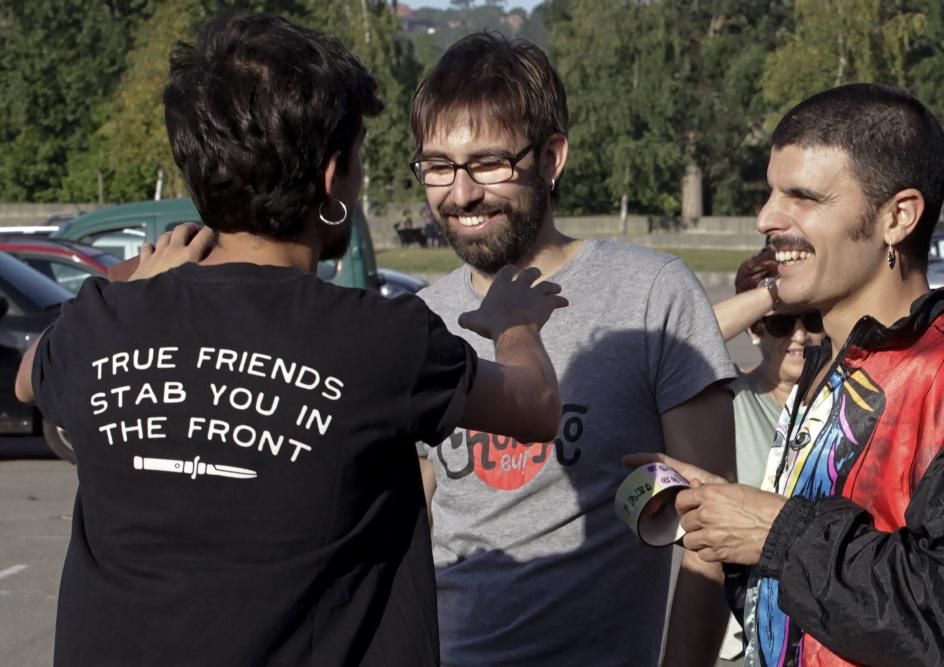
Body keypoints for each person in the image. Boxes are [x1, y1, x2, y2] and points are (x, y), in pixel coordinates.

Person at [15, 15, 568, 666]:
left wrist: (134, 276)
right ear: (333, 176)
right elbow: (534, 407)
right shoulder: (374, 337)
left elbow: (29, 376)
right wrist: (514, 322)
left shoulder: (100, 322)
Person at [628, 83, 944, 666]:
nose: (766, 219)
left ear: (897, 217)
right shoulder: (832, 358)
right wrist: (724, 510)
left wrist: (775, 531)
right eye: (772, 192)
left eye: (802, 197)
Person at [409, 32, 737, 667]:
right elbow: (417, 518)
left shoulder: (652, 293)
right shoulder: (423, 317)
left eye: (488, 163)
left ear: (552, 157)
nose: (461, 193)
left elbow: (711, 529)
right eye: (438, 167)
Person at [710, 248, 825, 664]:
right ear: (756, 329)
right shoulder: (730, 398)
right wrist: (778, 292)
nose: (798, 336)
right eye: (781, 322)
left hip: (822, 628)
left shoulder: (844, 405)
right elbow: (686, 338)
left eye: (811, 319)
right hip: (743, 634)